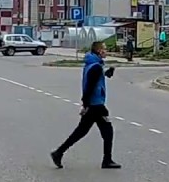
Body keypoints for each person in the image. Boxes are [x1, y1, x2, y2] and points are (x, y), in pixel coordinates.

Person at [50, 41, 120, 169]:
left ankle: (59, 152)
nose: (106, 51)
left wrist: (106, 74)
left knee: (82, 131)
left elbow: (93, 79)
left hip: (94, 105)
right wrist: (86, 105)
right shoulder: (96, 67)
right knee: (106, 131)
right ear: (99, 51)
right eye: (104, 49)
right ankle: (107, 160)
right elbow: (90, 86)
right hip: (96, 106)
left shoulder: (92, 64)